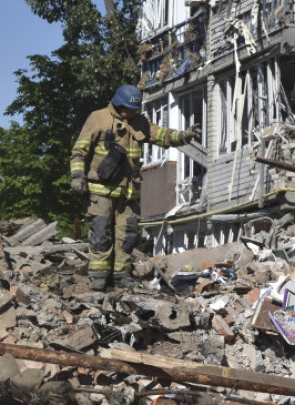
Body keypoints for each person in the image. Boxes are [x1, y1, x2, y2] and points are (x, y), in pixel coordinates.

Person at [70, 84, 199, 291]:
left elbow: (161, 135)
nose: (131, 113)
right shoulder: (98, 118)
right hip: (101, 189)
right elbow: (79, 151)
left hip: (128, 191)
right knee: (101, 233)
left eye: (134, 110)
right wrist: (77, 176)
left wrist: (183, 136)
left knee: (127, 234)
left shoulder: (140, 122)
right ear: (117, 103)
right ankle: (99, 276)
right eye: (127, 109)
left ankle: (122, 275)